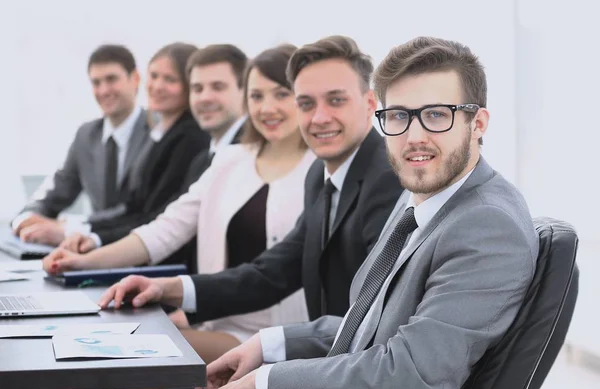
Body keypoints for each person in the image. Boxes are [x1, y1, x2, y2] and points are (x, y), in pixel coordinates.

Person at [102, 36, 540, 389]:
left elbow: (409, 373)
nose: (415, 136)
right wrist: (271, 345)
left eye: (436, 116)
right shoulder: (422, 198)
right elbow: (370, 325)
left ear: (478, 123)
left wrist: (270, 382)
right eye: (399, 117)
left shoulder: (485, 224)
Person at [93, 35, 404, 331]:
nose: (319, 117)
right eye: (307, 104)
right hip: (317, 356)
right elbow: (273, 273)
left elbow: (376, 319)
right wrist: (169, 288)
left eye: (336, 100)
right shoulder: (321, 176)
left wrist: (269, 355)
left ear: (369, 103)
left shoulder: (388, 178)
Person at [44, 44, 316, 364]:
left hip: (279, 338)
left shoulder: (319, 168)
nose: (266, 108)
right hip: (220, 321)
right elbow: (165, 229)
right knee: (113, 341)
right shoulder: (230, 161)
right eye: (257, 97)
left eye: (281, 94)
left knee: (132, 353)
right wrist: (85, 261)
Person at [61, 44, 249, 256]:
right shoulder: (164, 136)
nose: (158, 86)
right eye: (154, 76)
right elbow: (149, 213)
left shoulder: (197, 140)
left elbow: (162, 219)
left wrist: (91, 241)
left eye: (170, 79)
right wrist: (89, 238)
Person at [12, 44, 149, 246]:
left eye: (111, 79)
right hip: (91, 252)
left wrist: (69, 226)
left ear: (135, 79)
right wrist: (27, 218)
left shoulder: (156, 132)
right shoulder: (86, 136)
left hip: (141, 248)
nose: (103, 90)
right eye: (96, 82)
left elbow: (137, 210)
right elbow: (56, 190)